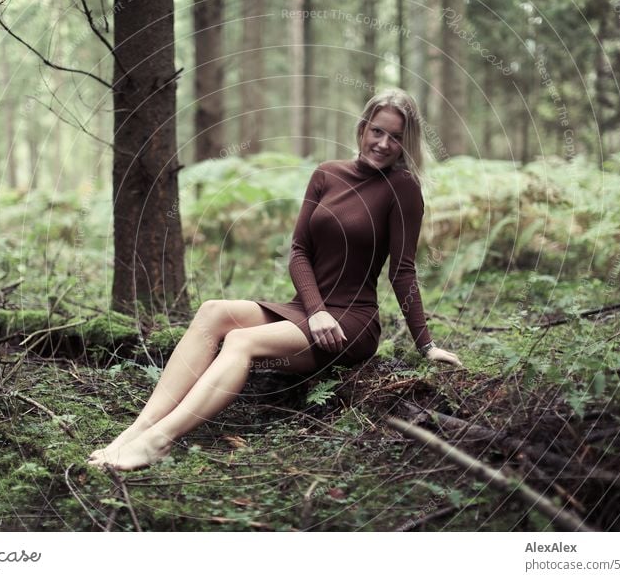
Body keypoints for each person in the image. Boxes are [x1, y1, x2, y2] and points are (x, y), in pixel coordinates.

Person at [88, 88, 462, 471]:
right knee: (212, 312)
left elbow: (402, 270)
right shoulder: (327, 174)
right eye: (377, 131)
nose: (383, 143)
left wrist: (426, 344)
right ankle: (134, 432)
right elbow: (299, 250)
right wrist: (315, 310)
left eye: (396, 137)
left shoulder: (402, 189)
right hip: (309, 311)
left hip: (352, 321)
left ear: (405, 143)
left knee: (241, 340)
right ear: (363, 128)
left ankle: (158, 441)